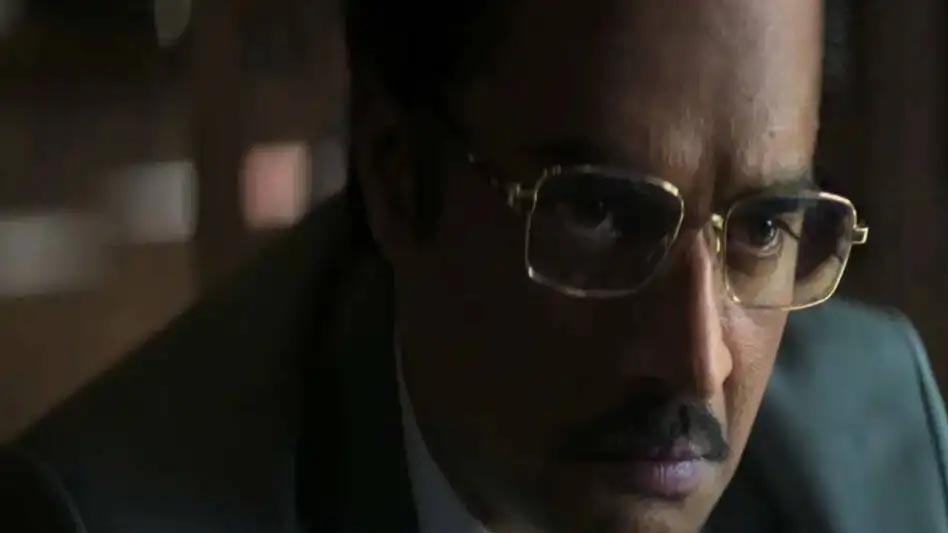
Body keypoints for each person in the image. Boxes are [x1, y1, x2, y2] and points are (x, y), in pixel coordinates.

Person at [3, 0, 948, 532]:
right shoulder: (103, 516)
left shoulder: (876, 449)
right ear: (397, 179)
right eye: (603, 214)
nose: (700, 362)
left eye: (764, 227)